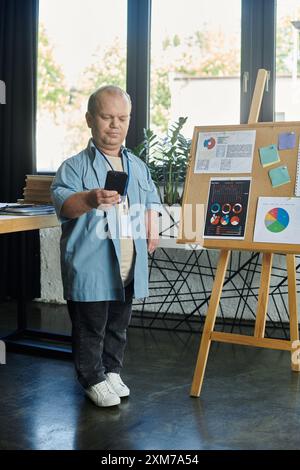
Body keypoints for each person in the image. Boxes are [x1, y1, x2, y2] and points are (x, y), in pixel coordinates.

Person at [51, 85, 162, 407]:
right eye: (107, 117)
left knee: (118, 324)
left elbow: (151, 198)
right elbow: (63, 205)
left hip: (128, 264)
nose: (115, 125)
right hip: (92, 265)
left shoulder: (138, 165)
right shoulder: (74, 166)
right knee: (90, 327)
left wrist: (152, 224)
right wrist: (89, 198)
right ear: (90, 119)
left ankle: (112, 370)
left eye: (122, 118)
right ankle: (92, 377)